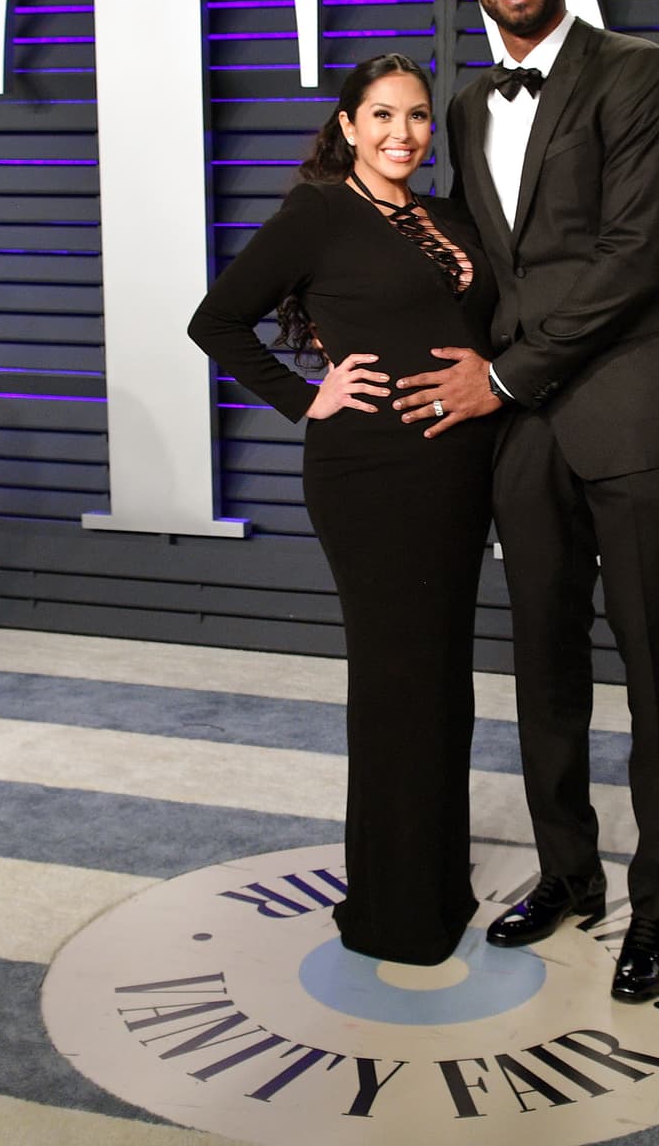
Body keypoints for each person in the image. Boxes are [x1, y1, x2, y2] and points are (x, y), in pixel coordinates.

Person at [391, 0, 659, 1003]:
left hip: (630, 411)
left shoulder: (635, 74)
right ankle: (568, 870)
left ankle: (656, 904)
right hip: (523, 429)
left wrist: (508, 371)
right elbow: (484, 258)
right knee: (542, 657)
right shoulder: (472, 100)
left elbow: (630, 254)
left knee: (652, 662)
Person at [187, 54, 499, 966]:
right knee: (398, 683)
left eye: (417, 118)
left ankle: (437, 886)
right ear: (350, 126)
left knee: (443, 683)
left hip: (457, 472)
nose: (403, 133)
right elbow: (217, 320)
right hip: (371, 475)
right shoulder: (319, 211)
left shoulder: (448, 217)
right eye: (383, 116)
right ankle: (393, 915)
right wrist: (302, 397)